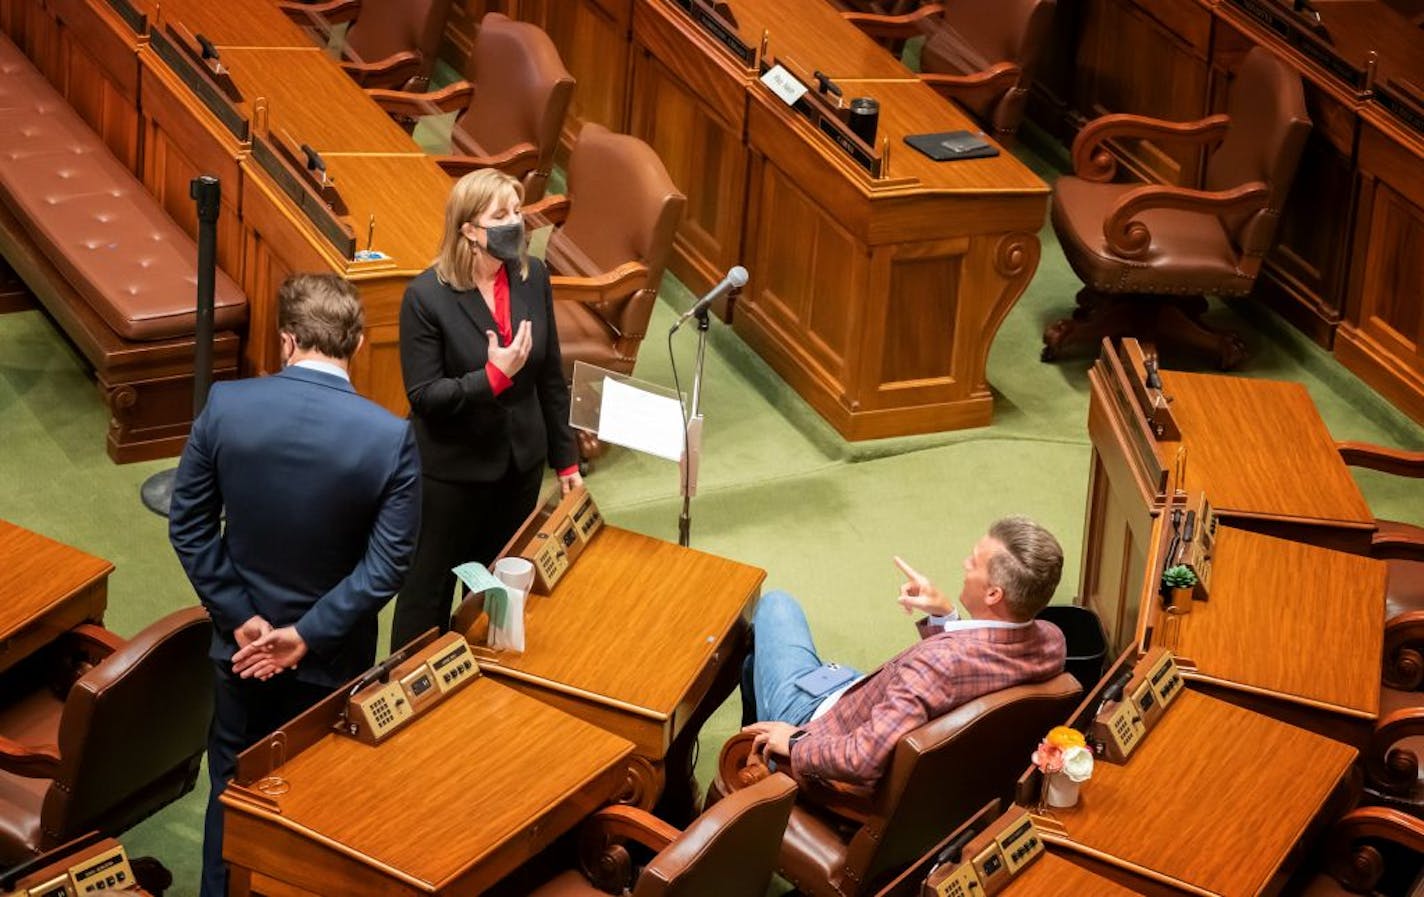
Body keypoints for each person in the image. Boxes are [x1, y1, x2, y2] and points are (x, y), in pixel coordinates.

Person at [168, 273, 421, 897]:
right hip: (331, 661)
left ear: (285, 341)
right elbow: (386, 566)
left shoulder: (227, 406)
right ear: (357, 343)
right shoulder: (390, 439)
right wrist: (306, 635)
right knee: (315, 799)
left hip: (241, 652)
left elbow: (189, 524)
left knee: (232, 785)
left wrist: (242, 619)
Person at [391, 168, 580, 651]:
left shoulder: (532, 276)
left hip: (518, 466)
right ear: (469, 230)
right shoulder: (425, 298)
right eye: (500, 215)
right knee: (428, 595)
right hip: (449, 473)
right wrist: (491, 378)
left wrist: (566, 460)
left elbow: (550, 375)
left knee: (496, 592)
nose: (513, 223)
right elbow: (425, 397)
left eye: (517, 212)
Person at [741, 516, 1066, 790]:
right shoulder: (1052, 642)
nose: (964, 564)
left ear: (994, 593)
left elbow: (862, 758)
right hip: (862, 699)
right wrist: (946, 617)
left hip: (816, 723)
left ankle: (762, 759)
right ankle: (756, 750)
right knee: (753, 665)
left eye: (974, 562)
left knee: (776, 605)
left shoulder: (935, 668)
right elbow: (977, 661)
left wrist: (795, 742)